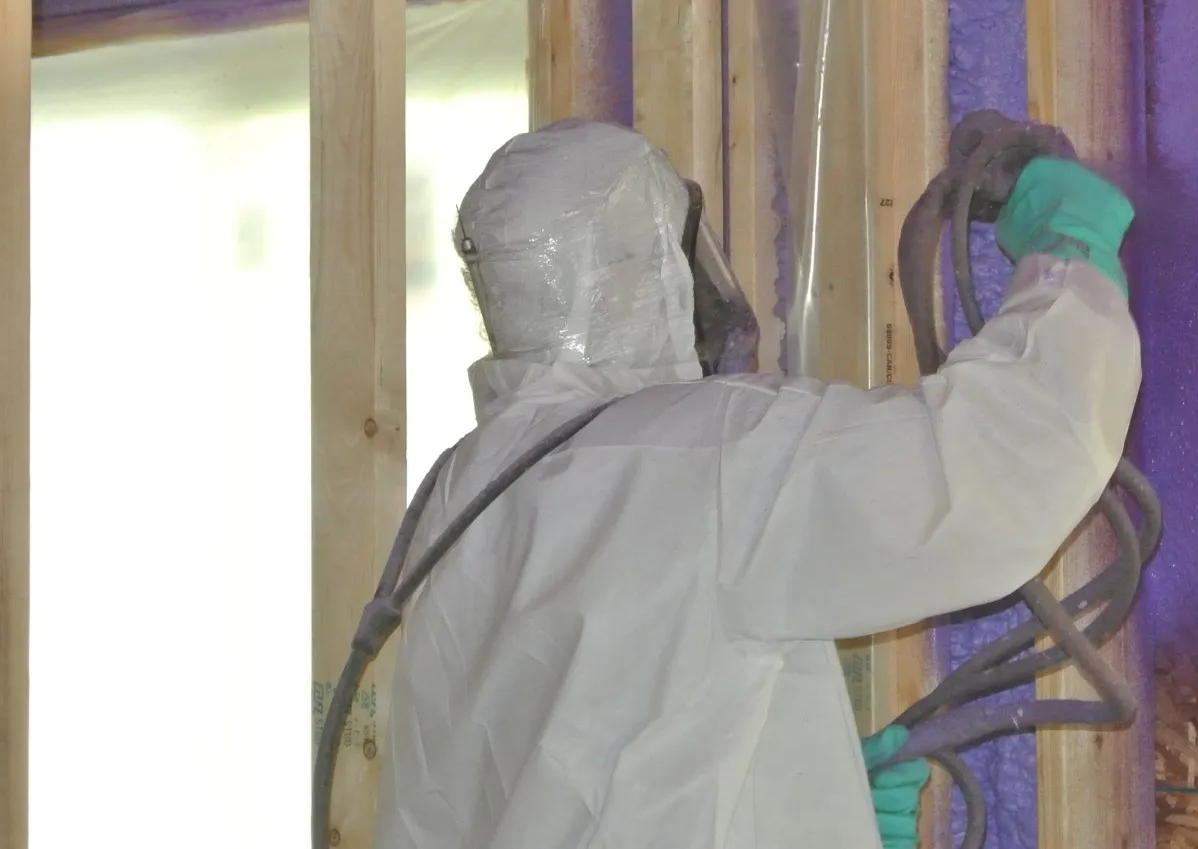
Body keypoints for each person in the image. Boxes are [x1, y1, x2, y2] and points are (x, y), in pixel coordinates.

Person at [373, 118, 1140, 849]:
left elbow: (551, 766)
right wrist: (1068, 257)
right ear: (632, 274)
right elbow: (997, 464)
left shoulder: (454, 502)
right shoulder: (703, 451)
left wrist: (805, 789)